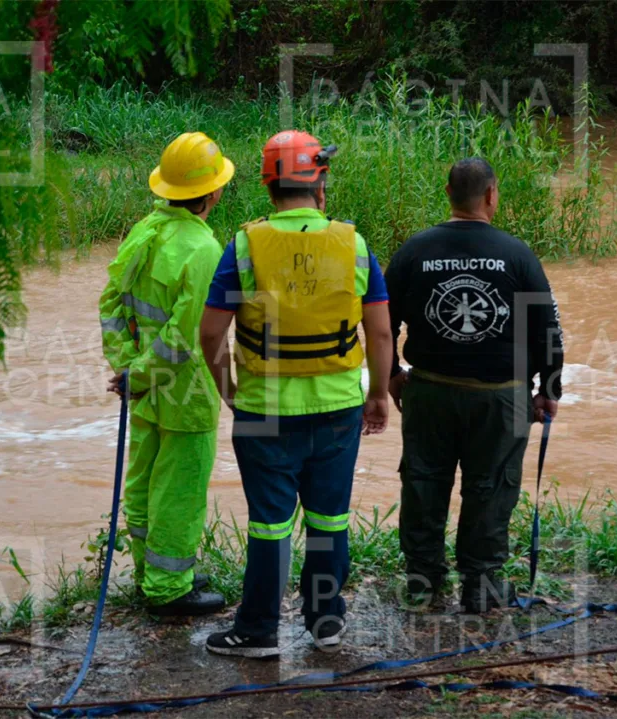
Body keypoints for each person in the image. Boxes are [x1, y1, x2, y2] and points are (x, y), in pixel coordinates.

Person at [200, 131, 393, 658]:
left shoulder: (243, 245)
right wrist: (378, 393)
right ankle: (326, 622)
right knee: (330, 518)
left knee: (269, 524)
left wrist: (228, 388)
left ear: (269, 188)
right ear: (320, 184)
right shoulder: (353, 244)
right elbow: (379, 332)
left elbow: (210, 333)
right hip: (337, 406)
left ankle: (258, 630)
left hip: (265, 409)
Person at [385, 157, 563, 614]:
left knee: (423, 482)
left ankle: (422, 586)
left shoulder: (414, 251)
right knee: (491, 488)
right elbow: (548, 329)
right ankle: (481, 586)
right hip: (500, 398)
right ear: (490, 195)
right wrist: (550, 389)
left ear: (448, 194)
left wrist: (390, 375)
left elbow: (381, 323)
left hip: (429, 391)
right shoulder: (518, 254)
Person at [99, 132, 234, 616]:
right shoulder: (204, 249)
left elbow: (111, 305)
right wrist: (143, 375)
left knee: (143, 481)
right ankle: (167, 589)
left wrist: (127, 368)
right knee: (179, 490)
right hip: (184, 391)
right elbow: (186, 337)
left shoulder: (144, 230)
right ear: (213, 192)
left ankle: (149, 573)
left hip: (143, 388)